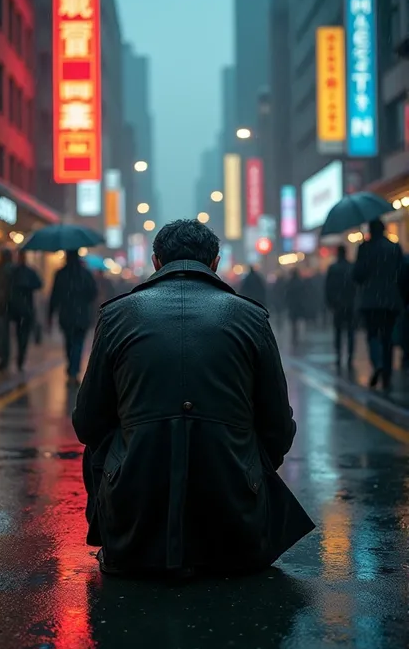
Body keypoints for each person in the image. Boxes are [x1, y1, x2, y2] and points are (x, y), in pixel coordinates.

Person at [73, 219, 314, 578]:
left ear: (156, 262)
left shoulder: (116, 315)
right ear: (215, 263)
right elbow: (277, 426)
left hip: (135, 519)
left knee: (99, 445)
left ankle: (116, 535)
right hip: (234, 521)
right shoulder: (251, 317)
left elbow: (88, 421)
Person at [353, 219, 404, 391]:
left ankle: (378, 363)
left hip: (370, 302)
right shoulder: (394, 248)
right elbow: (402, 274)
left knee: (373, 335)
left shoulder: (364, 249)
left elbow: (357, 276)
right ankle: (387, 373)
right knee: (388, 338)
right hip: (390, 301)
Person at [49, 250, 98, 385]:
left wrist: (50, 314)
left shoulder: (61, 274)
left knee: (69, 342)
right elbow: (93, 293)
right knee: (78, 343)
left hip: (66, 315)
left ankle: (72, 368)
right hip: (81, 314)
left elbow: (54, 296)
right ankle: (74, 371)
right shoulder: (85, 274)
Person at [9, 252, 43, 372]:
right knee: (23, 335)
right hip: (25, 309)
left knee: (20, 335)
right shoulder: (28, 272)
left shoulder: (14, 272)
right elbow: (39, 284)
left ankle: (19, 357)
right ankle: (20, 357)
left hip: (17, 309)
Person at [325, 245, 356, 371]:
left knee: (338, 332)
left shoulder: (333, 268)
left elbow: (328, 287)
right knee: (350, 331)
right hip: (349, 303)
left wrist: (330, 302)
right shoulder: (351, 267)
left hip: (338, 304)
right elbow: (355, 287)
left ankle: (339, 355)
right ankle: (350, 356)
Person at [286, 270, 306, 345]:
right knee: (297, 320)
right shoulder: (300, 282)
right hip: (298, 304)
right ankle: (296, 334)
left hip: (292, 304)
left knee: (293, 321)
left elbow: (287, 294)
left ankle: (294, 334)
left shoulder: (290, 283)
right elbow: (304, 294)